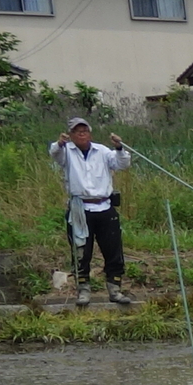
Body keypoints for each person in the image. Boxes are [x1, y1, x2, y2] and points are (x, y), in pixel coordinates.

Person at [49, 119, 137, 307]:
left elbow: (122, 164)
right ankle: (83, 290)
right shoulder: (66, 152)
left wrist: (120, 147)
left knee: (113, 250)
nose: (81, 134)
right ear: (71, 135)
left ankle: (115, 289)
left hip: (104, 206)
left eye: (84, 131)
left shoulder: (102, 151)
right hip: (80, 209)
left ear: (90, 133)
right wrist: (60, 143)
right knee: (81, 251)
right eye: (76, 131)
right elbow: (54, 153)